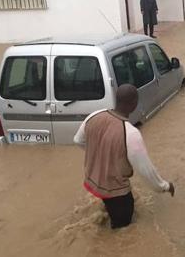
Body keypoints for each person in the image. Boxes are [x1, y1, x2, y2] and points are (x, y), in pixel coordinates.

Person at [74, 84, 175, 229]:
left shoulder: (94, 116)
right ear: (134, 104)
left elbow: (78, 140)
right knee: (122, 232)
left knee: (106, 219)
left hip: (94, 182)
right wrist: (165, 186)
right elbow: (146, 171)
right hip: (118, 194)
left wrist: (101, 155)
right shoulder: (131, 134)